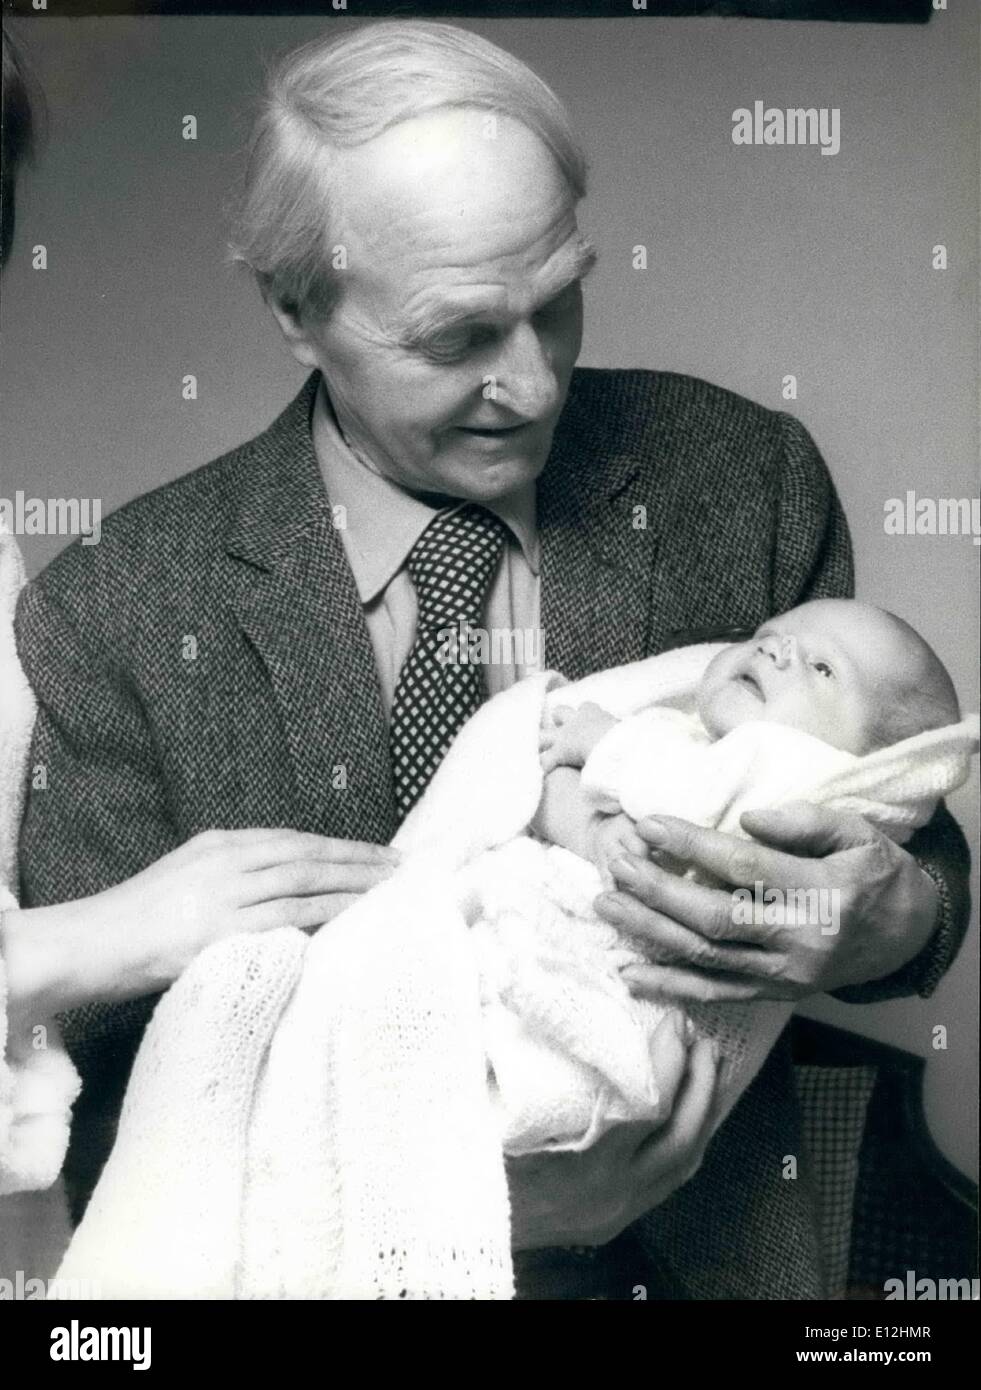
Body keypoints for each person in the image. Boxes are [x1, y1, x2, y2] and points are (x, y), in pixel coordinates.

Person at [11, 22, 971, 1299]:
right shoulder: (116, 607)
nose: (533, 381)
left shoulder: (746, 481)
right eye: (460, 338)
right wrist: (467, 1206)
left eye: (557, 297)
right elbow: (102, 1079)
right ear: (299, 309)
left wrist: (904, 916)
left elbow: (885, 797)